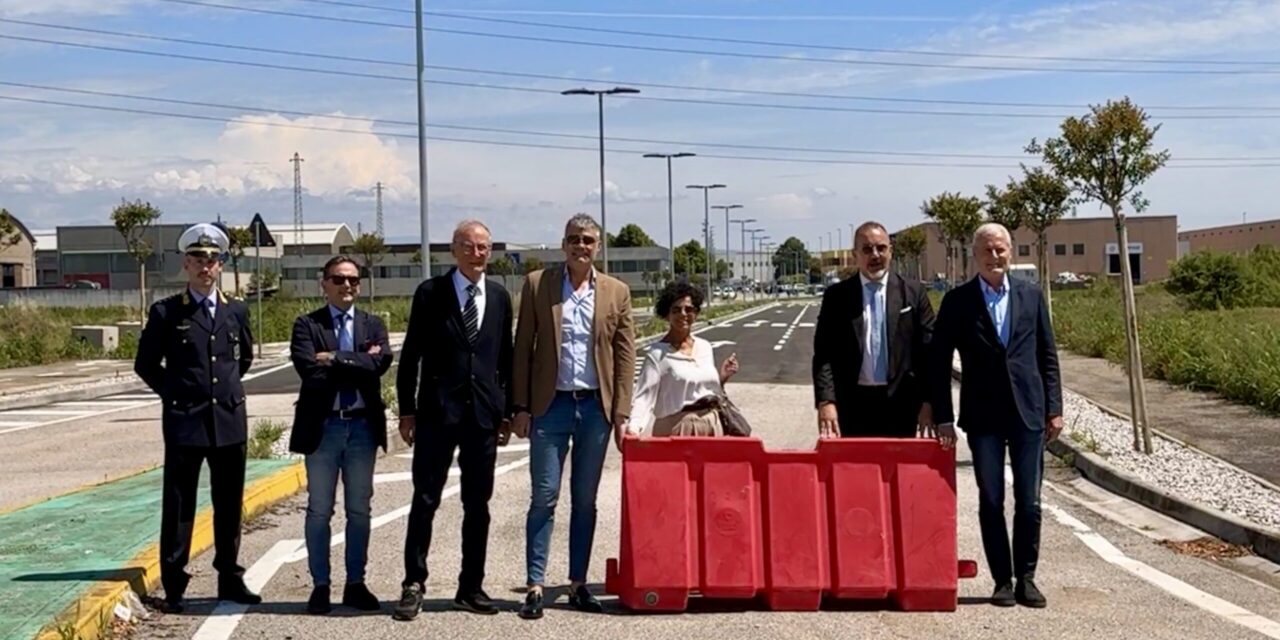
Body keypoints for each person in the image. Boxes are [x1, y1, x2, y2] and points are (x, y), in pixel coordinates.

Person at [930, 222, 1063, 609]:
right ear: (975, 255)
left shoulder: (1032, 296)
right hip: (983, 416)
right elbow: (938, 363)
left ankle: (1027, 578)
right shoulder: (957, 302)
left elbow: (1047, 356)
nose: (995, 256)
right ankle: (1001, 580)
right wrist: (943, 416)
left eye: (1001, 249)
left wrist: (1054, 408)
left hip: (1029, 414)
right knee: (991, 500)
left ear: (1011, 251)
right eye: (988, 250)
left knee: (1030, 501)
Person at [510, 213, 636, 620]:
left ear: (598, 246)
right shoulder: (537, 284)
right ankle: (534, 584)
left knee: (585, 500)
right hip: (551, 406)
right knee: (544, 497)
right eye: (573, 239)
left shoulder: (617, 292)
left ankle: (579, 583)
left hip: (595, 409)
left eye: (587, 240)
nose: (580, 246)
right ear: (563, 244)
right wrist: (522, 407)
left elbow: (624, 355)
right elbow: (522, 348)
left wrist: (620, 413)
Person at [393, 220, 515, 621]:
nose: (478, 254)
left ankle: (470, 586)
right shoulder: (431, 294)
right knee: (425, 500)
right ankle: (414, 583)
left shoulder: (498, 298)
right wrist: (407, 410)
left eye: (484, 247)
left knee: (477, 505)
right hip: (436, 414)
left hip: (482, 416)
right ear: (454, 250)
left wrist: (508, 410)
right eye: (470, 246)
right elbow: (411, 355)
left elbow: (505, 359)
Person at [134, 222, 258, 613]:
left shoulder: (235, 310)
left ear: (221, 265)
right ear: (185, 264)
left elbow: (245, 358)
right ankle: (174, 583)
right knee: (180, 506)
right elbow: (146, 364)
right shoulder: (168, 311)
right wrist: (177, 395)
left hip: (228, 422)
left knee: (228, 503)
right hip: (186, 422)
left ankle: (230, 578)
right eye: (198, 259)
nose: (206, 266)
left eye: (212, 259)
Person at [288, 255, 393, 615]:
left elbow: (379, 365)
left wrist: (333, 358)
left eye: (353, 280)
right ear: (324, 284)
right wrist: (356, 362)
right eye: (338, 279)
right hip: (324, 428)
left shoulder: (372, 324)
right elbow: (308, 371)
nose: (346, 285)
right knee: (319, 510)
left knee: (359, 510)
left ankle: (355, 583)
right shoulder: (307, 325)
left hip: (362, 427)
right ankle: (320, 585)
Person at [812, 221, 936, 439]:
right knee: (855, 471)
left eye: (881, 248)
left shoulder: (913, 293)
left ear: (891, 251)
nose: (875, 255)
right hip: (852, 405)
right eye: (867, 249)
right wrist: (826, 401)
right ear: (855, 254)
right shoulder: (837, 297)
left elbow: (928, 352)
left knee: (897, 471)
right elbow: (824, 354)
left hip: (901, 404)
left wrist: (929, 402)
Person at [629, 281, 739, 436]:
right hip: (677, 429)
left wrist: (722, 377)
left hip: (711, 425)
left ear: (696, 313)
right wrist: (633, 429)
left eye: (689, 309)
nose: (683, 314)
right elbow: (644, 397)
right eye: (676, 310)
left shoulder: (705, 347)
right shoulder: (657, 354)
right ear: (667, 315)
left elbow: (702, 390)